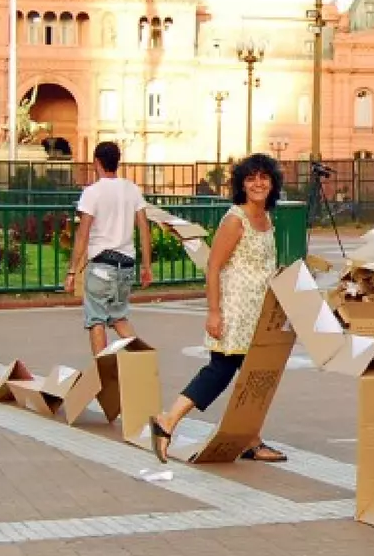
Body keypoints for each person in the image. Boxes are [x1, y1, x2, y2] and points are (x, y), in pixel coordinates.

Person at [148, 153, 287, 465]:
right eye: (251, 178)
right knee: (221, 371)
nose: (258, 183)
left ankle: (251, 440)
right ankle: (167, 421)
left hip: (258, 314)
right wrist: (214, 312)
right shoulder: (235, 219)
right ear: (241, 184)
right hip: (235, 312)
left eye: (264, 177)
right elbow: (213, 267)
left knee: (249, 379)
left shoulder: (265, 218)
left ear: (273, 182)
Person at [63, 140, 153, 357]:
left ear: (96, 162)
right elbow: (144, 228)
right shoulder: (132, 189)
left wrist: (72, 270)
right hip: (126, 265)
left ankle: (104, 375)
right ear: (117, 162)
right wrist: (147, 266)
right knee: (119, 317)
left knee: (96, 319)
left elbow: (83, 234)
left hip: (102, 264)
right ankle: (142, 357)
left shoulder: (92, 192)